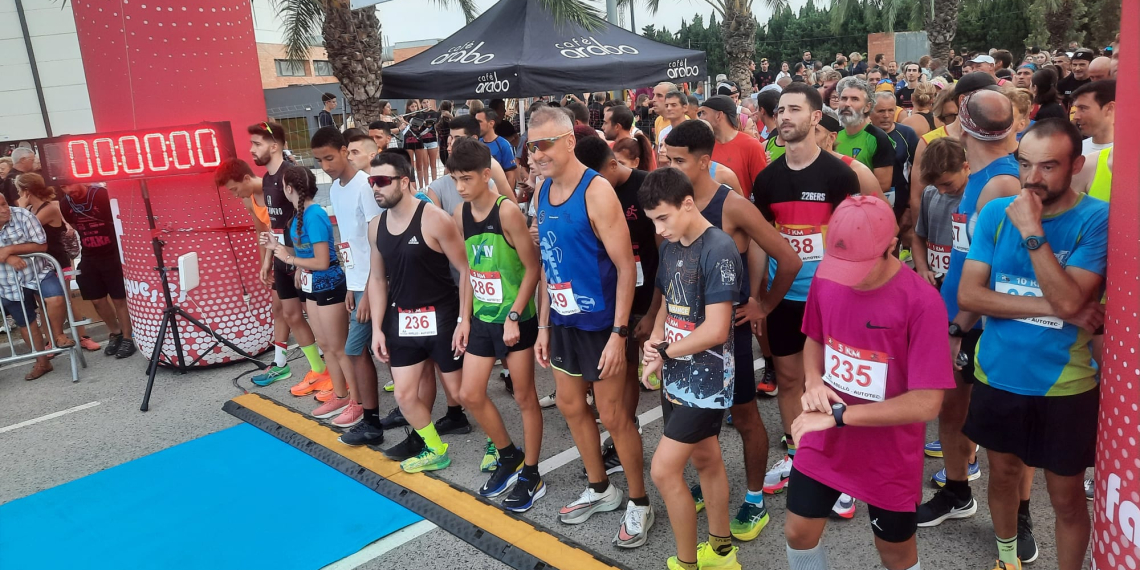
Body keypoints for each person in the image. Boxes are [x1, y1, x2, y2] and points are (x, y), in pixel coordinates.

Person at [958, 118, 1108, 570]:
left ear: (1076, 165)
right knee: (1002, 476)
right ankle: (1008, 560)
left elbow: (1068, 299)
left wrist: (1031, 230)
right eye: (1025, 164)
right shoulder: (994, 212)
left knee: (1064, 497)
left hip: (1066, 385)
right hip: (998, 374)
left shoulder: (1096, 218)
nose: (1032, 178)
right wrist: (1062, 308)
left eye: (1048, 167)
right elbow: (969, 295)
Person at [782, 195, 953, 570]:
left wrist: (841, 417)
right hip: (826, 435)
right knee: (798, 532)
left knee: (896, 554)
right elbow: (815, 337)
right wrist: (813, 382)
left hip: (887, 452)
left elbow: (927, 403)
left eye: (857, 265)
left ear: (892, 246)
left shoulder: (922, 302)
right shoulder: (827, 279)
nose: (845, 276)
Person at [664, 119, 803, 540]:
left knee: (743, 417)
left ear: (705, 161)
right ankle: (711, 482)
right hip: (684, 335)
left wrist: (764, 303)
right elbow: (666, 268)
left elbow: (789, 258)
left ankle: (756, 498)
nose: (669, 168)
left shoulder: (732, 206)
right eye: (666, 159)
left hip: (728, 338)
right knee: (697, 422)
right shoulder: (673, 202)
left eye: (678, 161)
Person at [528, 106, 653, 548]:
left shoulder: (596, 190)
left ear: (567, 141)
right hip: (562, 320)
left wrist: (620, 334)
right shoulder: (541, 191)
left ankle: (639, 501)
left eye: (544, 145)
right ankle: (601, 489)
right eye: (531, 146)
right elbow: (546, 264)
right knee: (569, 404)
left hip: (602, 324)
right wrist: (543, 324)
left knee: (615, 416)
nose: (537, 154)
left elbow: (624, 266)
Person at [916, 91, 1029, 555]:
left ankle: (1019, 518)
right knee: (950, 409)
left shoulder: (1001, 183)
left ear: (961, 123)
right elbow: (965, 260)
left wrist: (957, 328)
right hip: (957, 315)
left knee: (1007, 429)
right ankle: (957, 491)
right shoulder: (978, 177)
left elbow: (1001, 273)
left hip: (983, 324)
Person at [751, 83, 861, 505]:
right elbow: (763, 241)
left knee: (834, 383)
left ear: (816, 117)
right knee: (790, 380)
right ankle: (804, 458)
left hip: (831, 299)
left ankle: (840, 470)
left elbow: (856, 240)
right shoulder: (768, 178)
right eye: (780, 110)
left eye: (794, 109)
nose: (784, 117)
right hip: (784, 300)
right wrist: (760, 297)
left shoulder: (839, 175)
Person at [636, 168, 744, 570]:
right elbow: (667, 304)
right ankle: (721, 551)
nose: (659, 229)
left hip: (708, 382)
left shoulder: (719, 247)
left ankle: (686, 564)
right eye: (652, 222)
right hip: (677, 373)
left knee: (663, 471)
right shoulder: (671, 245)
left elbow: (717, 329)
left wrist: (665, 353)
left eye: (663, 218)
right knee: (707, 459)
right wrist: (656, 341)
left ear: (687, 203)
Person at [444, 138, 546, 510]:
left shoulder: (507, 213)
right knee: (468, 394)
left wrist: (516, 316)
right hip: (483, 320)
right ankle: (508, 455)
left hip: (515, 320)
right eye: (454, 179)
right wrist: (463, 319)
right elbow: (470, 270)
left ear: (487, 175)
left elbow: (533, 267)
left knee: (524, 397)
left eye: (466, 178)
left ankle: (532, 473)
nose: (459, 187)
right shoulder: (460, 214)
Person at [367, 151, 472, 473]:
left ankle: (499, 446)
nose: (375, 188)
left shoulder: (435, 219)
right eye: (372, 181)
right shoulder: (375, 226)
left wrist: (463, 320)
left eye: (382, 181)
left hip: (441, 316)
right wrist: (377, 329)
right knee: (404, 395)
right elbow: (376, 279)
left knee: (462, 393)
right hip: (402, 320)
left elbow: (465, 269)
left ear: (404, 181)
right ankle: (434, 447)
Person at [574, 135, 661, 474]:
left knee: (655, 367)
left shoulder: (646, 187)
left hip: (649, 296)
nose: (592, 187)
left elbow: (666, 252)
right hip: (610, 299)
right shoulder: (586, 189)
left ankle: (679, 448)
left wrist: (655, 311)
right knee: (621, 371)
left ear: (613, 164)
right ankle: (623, 435)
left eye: (595, 178)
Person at [264, 165, 361, 427]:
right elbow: (307, 256)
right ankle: (340, 395)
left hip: (329, 285)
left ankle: (358, 403)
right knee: (325, 345)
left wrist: (289, 258)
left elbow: (321, 260)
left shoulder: (315, 215)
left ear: (289, 188)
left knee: (339, 348)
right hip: (312, 286)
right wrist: (287, 257)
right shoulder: (297, 216)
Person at [306, 127, 386, 440]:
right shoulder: (337, 189)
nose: (325, 165)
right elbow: (349, 242)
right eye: (318, 160)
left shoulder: (366, 186)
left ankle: (370, 416)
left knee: (354, 349)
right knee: (364, 350)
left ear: (344, 150)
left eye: (329, 157)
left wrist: (368, 288)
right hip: (356, 282)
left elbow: (377, 240)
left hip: (375, 281)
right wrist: (352, 287)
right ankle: (373, 415)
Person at [247, 122, 330, 392]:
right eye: (252, 144)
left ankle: (334, 371)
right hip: (282, 257)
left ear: (274, 146)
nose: (252, 149)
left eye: (257, 144)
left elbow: (303, 218)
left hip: (301, 260)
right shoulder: (268, 180)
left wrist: (297, 260)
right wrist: (268, 259)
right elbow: (274, 224)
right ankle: (318, 370)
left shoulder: (290, 174)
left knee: (316, 317)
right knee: (292, 316)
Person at [15, 174, 96, 352]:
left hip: (57, 261)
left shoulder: (50, 208)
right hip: (38, 264)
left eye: (19, 190)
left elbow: (25, 231)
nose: (18, 194)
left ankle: (82, 336)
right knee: (43, 305)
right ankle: (52, 340)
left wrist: (20, 209)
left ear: (26, 191)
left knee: (65, 300)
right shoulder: (29, 209)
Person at [59, 182, 135, 360]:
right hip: (90, 255)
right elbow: (75, 225)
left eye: (72, 184)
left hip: (112, 252)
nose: (70, 190)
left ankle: (127, 337)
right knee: (97, 299)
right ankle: (115, 333)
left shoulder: (100, 195)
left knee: (119, 298)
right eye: (64, 187)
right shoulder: (65, 203)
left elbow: (118, 218)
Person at [0, 193, 64, 380]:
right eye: (0, 207)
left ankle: (58, 336)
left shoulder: (23, 215)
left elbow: (42, 245)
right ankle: (43, 363)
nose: (5, 209)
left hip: (38, 272)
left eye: (4, 203)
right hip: (8, 283)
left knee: (55, 298)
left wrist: (10, 249)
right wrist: (7, 256)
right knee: (26, 323)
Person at [911, 138, 968, 289]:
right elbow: (918, 238)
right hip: (935, 281)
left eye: (947, 183)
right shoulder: (929, 193)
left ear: (965, 167)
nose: (941, 191)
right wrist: (922, 269)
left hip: (963, 283)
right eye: (935, 185)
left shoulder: (978, 197)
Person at [701, 96, 768, 200]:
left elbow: (763, 190)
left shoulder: (751, 146)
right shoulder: (702, 146)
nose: (701, 118)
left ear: (719, 115)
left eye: (704, 113)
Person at [835, 77, 894, 194]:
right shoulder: (832, 135)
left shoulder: (878, 139)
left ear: (867, 106)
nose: (847, 104)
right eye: (844, 98)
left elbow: (883, 185)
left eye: (855, 99)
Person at [870, 92, 919, 220]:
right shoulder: (864, 134)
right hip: (869, 201)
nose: (886, 116)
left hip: (900, 203)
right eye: (881, 111)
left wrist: (909, 206)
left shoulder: (907, 133)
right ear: (870, 111)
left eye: (891, 110)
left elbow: (918, 171)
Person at [476, 109, 518, 192]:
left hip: (498, 196)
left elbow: (511, 176)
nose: (476, 125)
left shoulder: (504, 145)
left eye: (479, 122)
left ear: (491, 123)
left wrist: (506, 199)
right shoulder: (477, 143)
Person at [1070, 80, 1115, 154]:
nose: (1076, 116)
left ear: (1109, 108)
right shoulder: (1076, 151)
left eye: (1083, 108)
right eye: (1076, 109)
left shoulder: (1132, 153)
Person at [656, 91, 688, 162]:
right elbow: (660, 161)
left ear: (685, 108)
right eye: (666, 105)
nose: (669, 108)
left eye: (673, 105)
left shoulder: (693, 130)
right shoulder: (663, 132)